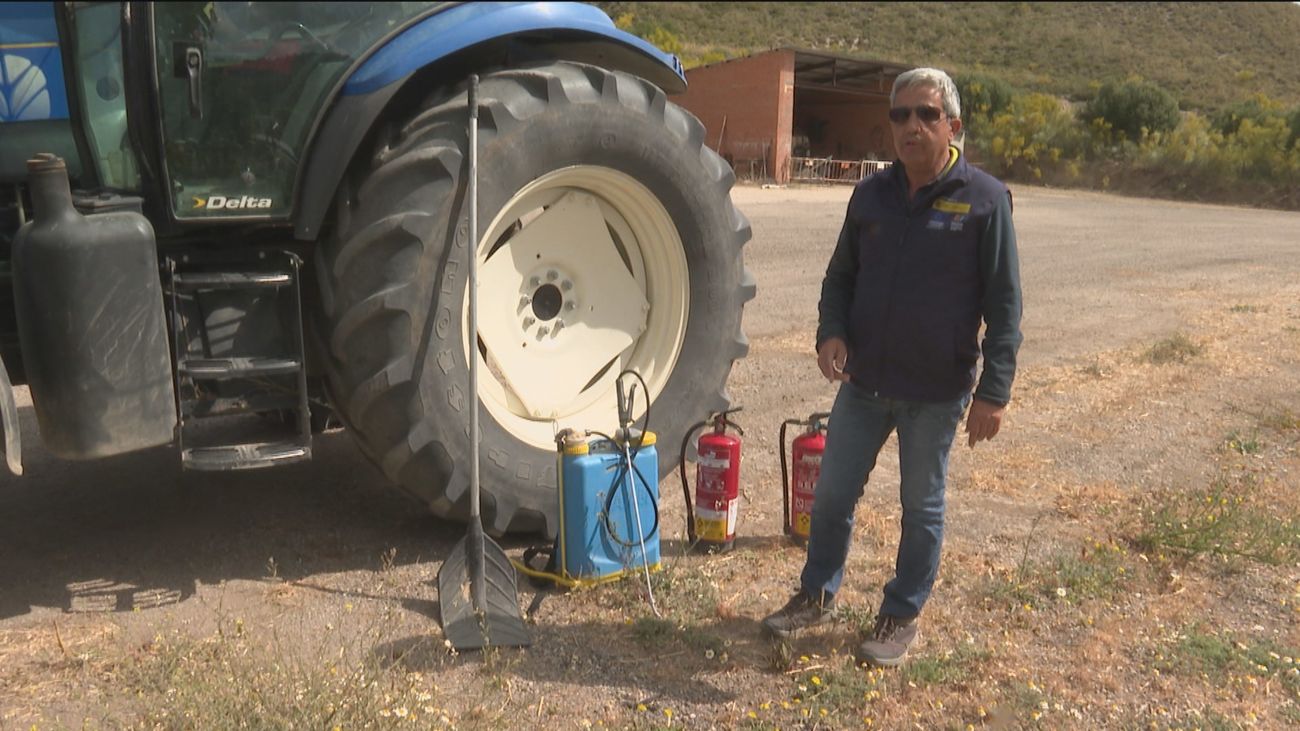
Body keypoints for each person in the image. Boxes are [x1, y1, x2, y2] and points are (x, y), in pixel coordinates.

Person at [760, 67, 1023, 668]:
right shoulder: (870, 195)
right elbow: (841, 277)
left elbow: (1005, 307)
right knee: (830, 497)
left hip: (936, 391)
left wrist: (994, 392)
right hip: (865, 384)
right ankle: (815, 594)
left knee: (921, 507)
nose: (911, 125)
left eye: (926, 114)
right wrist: (831, 332)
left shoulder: (984, 200)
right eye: (900, 114)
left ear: (952, 125)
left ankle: (900, 614)